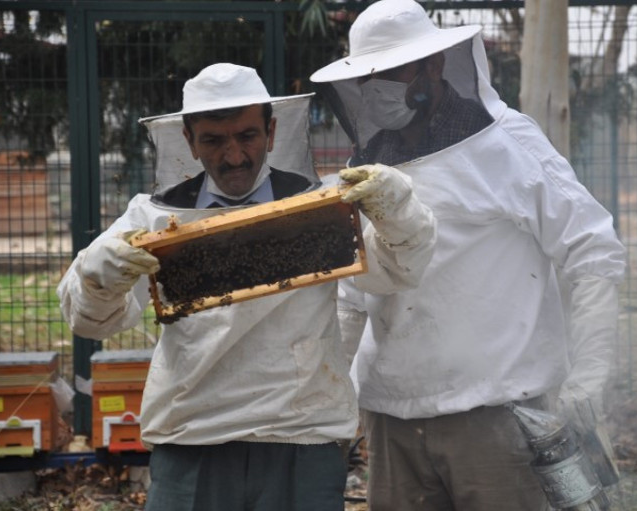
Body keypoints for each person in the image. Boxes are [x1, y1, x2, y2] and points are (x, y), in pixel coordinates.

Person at [57, 63, 436, 511]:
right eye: (214, 140)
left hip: (302, 433)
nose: (234, 156)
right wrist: (98, 277)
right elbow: (91, 321)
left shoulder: (317, 205)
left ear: (271, 133)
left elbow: (400, 269)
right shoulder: (153, 218)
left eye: (247, 136)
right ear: (189, 140)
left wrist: (398, 207)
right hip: (194, 436)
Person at [310, 1, 628, 510]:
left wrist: (589, 373)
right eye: (369, 78)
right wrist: (330, 400)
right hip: (392, 419)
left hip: (498, 415)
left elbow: (591, 247)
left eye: (393, 72)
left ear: (435, 65)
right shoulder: (364, 167)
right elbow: (351, 293)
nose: (379, 89)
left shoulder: (508, 143)